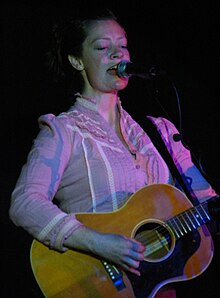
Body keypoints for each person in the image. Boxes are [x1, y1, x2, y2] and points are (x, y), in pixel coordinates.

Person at [9, 7, 218, 298]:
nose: (119, 55)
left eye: (122, 46)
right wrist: (99, 243)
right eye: (103, 47)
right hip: (94, 283)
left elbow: (206, 199)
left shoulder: (159, 131)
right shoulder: (64, 131)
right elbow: (24, 203)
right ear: (76, 61)